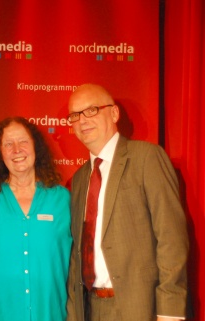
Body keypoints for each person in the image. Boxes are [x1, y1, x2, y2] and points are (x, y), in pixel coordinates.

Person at [66, 84, 188, 321]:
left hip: (140, 307)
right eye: (75, 115)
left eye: (91, 110)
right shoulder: (80, 178)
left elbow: (171, 237)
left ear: (114, 113)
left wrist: (170, 311)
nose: (82, 121)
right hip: (89, 308)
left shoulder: (146, 158)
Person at [0, 117, 72, 321]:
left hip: (49, 312)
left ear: (36, 146)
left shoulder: (62, 198)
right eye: (8, 144)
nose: (16, 150)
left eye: (23, 142)